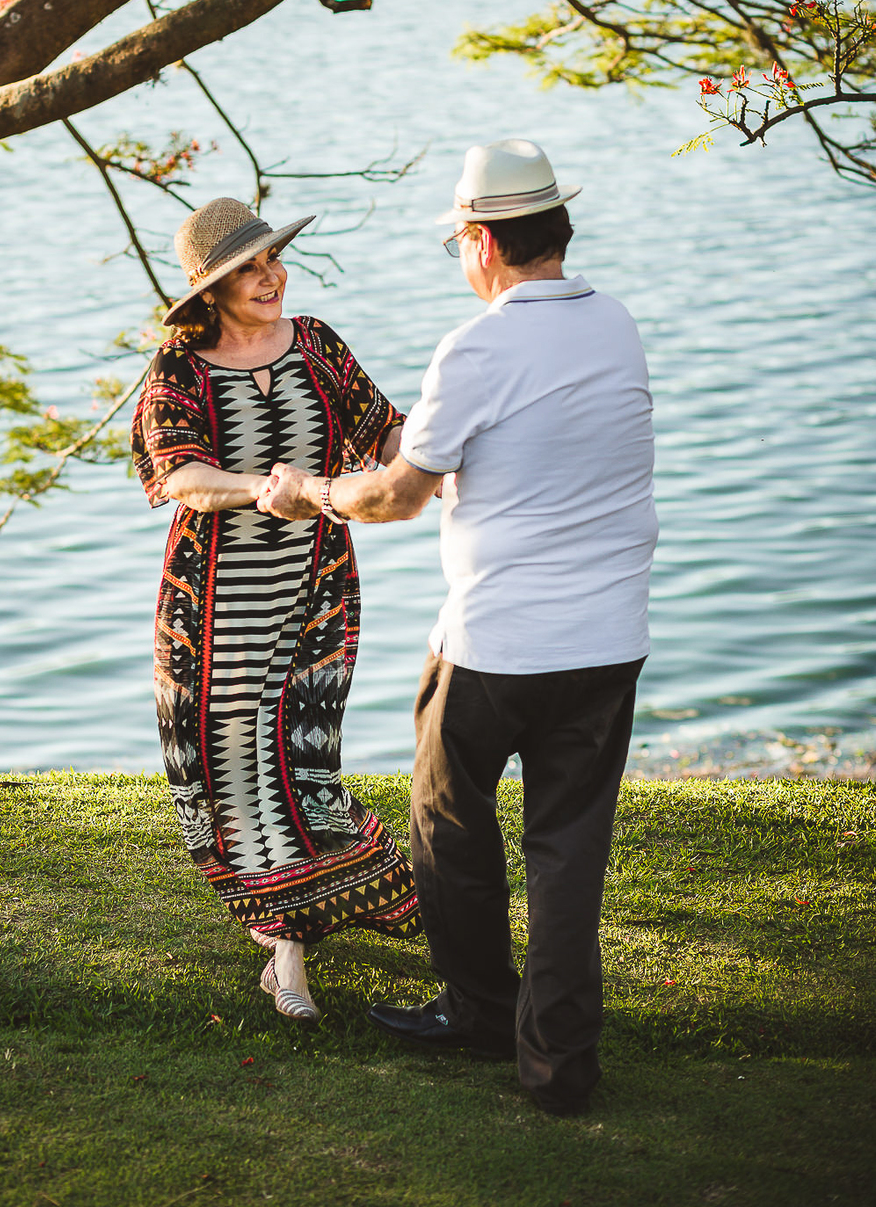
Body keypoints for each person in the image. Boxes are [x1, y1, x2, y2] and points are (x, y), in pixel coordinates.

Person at [259, 138, 658, 1114]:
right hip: (611, 640)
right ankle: (559, 1067)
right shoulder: (615, 325)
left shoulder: (478, 346)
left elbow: (398, 495)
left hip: (495, 645)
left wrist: (310, 492)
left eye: (458, 244)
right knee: (569, 851)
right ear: (556, 228)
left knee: (446, 816)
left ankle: (479, 1009)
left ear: (480, 241)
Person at [131, 196, 421, 1026]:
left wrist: (447, 458)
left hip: (312, 591)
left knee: (302, 759)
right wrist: (265, 488)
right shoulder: (179, 370)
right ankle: (284, 949)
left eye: (273, 261)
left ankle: (361, 904)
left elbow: (387, 432)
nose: (272, 277)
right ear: (211, 289)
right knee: (228, 765)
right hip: (214, 602)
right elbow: (179, 475)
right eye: (251, 269)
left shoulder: (318, 343)